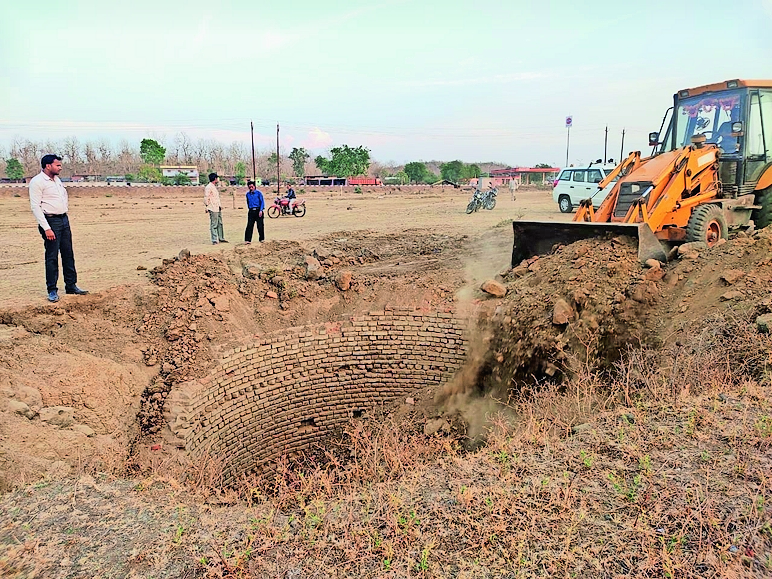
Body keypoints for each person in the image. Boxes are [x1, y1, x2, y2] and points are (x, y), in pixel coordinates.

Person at [29, 154, 88, 302]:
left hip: (63, 220)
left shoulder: (57, 180)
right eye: (58, 165)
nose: (60, 168)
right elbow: (35, 206)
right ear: (48, 166)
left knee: (68, 254)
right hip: (50, 221)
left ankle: (71, 285)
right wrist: (46, 228)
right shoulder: (37, 182)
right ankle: (52, 290)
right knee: (52, 256)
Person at [204, 172, 228, 244]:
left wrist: (220, 206)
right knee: (214, 224)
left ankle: (221, 238)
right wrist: (207, 206)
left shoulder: (213, 187)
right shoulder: (208, 187)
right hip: (212, 207)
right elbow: (206, 197)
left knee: (220, 223)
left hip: (217, 207)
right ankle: (214, 239)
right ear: (215, 179)